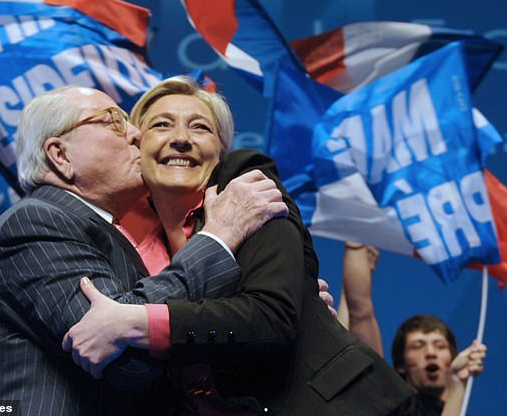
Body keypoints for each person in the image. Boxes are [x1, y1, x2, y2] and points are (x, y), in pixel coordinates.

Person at [63, 76, 412, 415]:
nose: (181, 139)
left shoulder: (246, 185)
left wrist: (139, 322)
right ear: (136, 148)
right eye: (161, 125)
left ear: (221, 151)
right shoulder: (130, 249)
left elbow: (271, 319)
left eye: (200, 127)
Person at [0, 85, 287, 415]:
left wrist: (260, 299)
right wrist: (219, 236)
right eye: (113, 122)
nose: (136, 134)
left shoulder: (99, 232)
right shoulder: (36, 222)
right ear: (60, 155)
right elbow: (129, 362)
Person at [338, 244, 487, 416]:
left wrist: (458, 383)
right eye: (418, 346)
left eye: (440, 346)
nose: (431, 353)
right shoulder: (390, 405)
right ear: (400, 365)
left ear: (453, 360)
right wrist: (355, 244)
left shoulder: (460, 400)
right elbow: (359, 314)